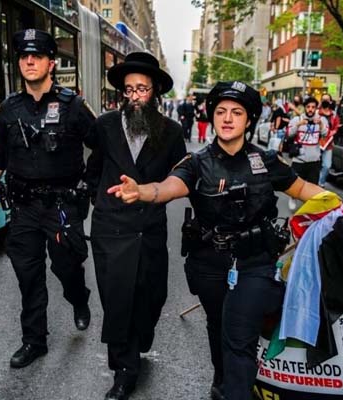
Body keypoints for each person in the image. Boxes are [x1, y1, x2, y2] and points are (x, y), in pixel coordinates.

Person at [106, 80, 325, 400]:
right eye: (221, 111)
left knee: (239, 336)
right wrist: (142, 191)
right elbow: (168, 187)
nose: (227, 118)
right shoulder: (197, 163)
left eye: (236, 112)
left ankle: (236, 390)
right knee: (218, 325)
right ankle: (223, 381)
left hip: (255, 264)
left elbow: (305, 191)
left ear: (249, 120)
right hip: (208, 263)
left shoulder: (266, 161)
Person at [0, 29, 95, 369]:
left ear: (51, 63)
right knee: (28, 276)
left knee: (67, 267)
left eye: (37, 56)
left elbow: (102, 147)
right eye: (24, 56)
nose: (29, 61)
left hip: (62, 205)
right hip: (24, 206)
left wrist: (90, 185)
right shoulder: (9, 108)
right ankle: (34, 341)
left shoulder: (73, 106)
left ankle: (79, 298)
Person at [85, 52, 186, 400]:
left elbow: (181, 178)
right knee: (118, 301)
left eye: (141, 89)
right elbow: (94, 168)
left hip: (150, 229)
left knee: (152, 298)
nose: (134, 96)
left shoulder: (172, 133)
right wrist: (95, 199)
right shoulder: (105, 126)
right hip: (111, 230)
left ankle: (142, 336)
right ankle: (124, 371)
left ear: (154, 91)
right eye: (129, 90)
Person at [286, 97, 328, 210]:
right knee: (295, 182)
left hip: (314, 159)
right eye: (308, 107)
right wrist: (298, 124)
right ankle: (292, 197)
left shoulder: (321, 120)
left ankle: (308, 206)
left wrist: (320, 125)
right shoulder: (297, 119)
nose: (310, 109)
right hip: (299, 159)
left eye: (313, 107)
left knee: (313, 185)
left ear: (316, 108)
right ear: (305, 107)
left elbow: (325, 134)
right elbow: (289, 133)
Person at [317, 94, 340, 187]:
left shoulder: (334, 115)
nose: (325, 101)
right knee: (315, 164)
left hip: (328, 144)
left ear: (331, 102)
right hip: (316, 143)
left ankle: (320, 183)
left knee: (327, 165)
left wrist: (333, 132)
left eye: (327, 100)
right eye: (323, 100)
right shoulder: (317, 113)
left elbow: (336, 127)